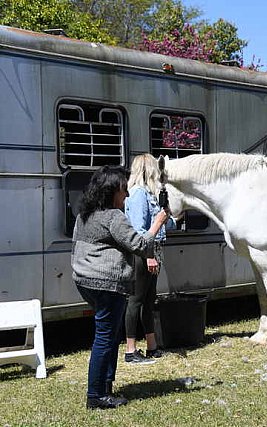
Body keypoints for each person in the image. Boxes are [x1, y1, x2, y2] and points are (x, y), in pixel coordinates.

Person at [72, 165, 168, 409]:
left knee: (111, 334)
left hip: (84, 280)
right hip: (107, 283)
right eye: (124, 190)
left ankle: (105, 386)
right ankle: (95, 395)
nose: (126, 195)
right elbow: (140, 244)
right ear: (112, 191)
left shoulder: (85, 214)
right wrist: (157, 223)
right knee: (105, 337)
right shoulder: (113, 217)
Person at [123, 154, 176, 364]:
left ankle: (152, 346)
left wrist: (172, 218)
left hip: (152, 251)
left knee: (148, 300)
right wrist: (148, 256)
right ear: (149, 170)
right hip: (142, 254)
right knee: (135, 301)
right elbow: (138, 230)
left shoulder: (148, 194)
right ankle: (130, 350)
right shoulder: (137, 195)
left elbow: (162, 224)